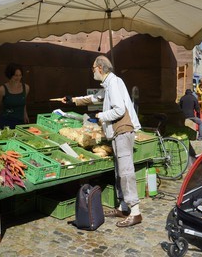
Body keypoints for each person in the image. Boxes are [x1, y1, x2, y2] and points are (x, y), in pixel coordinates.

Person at [57, 55, 142, 227]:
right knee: (119, 171)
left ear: (100, 68)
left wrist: (101, 116)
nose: (93, 71)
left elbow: (119, 109)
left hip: (123, 130)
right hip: (118, 132)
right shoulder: (109, 84)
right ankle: (124, 207)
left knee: (126, 172)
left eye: (93, 68)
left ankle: (135, 211)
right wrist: (71, 100)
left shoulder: (114, 83)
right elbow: (95, 98)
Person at [0, 63, 30, 129]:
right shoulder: (2, 90)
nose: (18, 78)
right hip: (6, 122)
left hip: (20, 122)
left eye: (20, 75)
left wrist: (25, 114)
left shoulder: (26, 88)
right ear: (10, 75)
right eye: (15, 75)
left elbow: (23, 102)